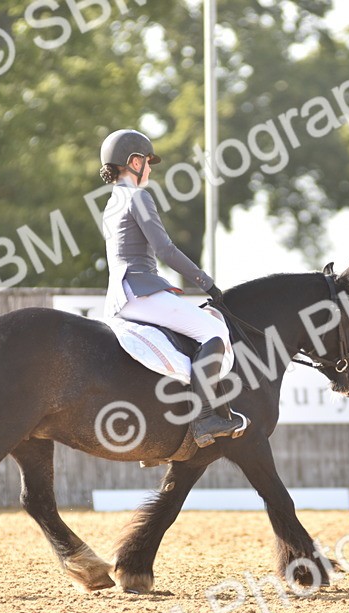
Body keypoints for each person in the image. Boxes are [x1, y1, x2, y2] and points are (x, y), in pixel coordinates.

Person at [98, 128, 249, 447]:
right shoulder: (138, 197)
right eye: (148, 162)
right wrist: (206, 282)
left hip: (119, 296)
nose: (150, 170)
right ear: (134, 162)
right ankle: (205, 417)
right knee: (214, 331)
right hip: (140, 291)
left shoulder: (111, 202)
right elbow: (165, 250)